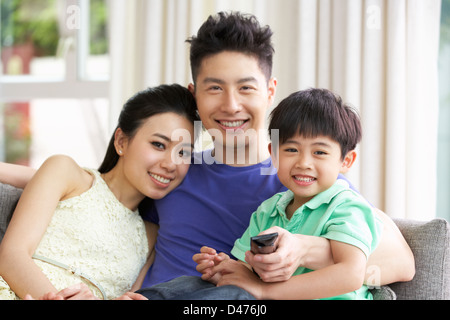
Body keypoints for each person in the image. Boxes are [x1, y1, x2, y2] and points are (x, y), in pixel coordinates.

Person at [136, 11, 414, 298]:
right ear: (195, 95)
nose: (231, 105)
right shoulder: (171, 170)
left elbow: (402, 263)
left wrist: (305, 249)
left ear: (270, 91)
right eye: (215, 88)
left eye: (246, 88)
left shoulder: (302, 179)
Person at [0, 84, 199, 300]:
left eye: (183, 153)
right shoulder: (66, 172)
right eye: (159, 145)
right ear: (121, 141)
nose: (171, 164)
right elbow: (12, 256)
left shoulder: (151, 237)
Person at [192, 88, 382, 300]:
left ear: (346, 161)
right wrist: (224, 268)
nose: (304, 163)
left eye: (319, 152)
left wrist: (265, 291)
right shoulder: (267, 211)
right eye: (292, 150)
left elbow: (351, 274)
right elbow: (247, 270)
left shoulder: (346, 206)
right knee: (187, 285)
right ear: (273, 153)